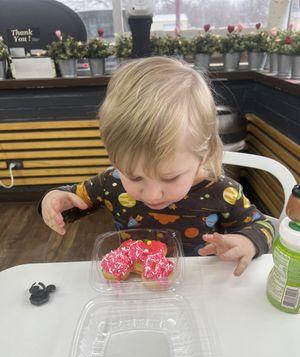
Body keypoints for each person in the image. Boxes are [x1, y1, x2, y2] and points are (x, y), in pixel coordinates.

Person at [40, 56, 274, 276]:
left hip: (200, 284)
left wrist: (248, 242)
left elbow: (263, 226)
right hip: (136, 284)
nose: (152, 195)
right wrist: (54, 199)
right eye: (134, 176)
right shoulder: (111, 182)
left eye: (170, 178)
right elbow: (74, 199)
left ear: (204, 154)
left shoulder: (223, 191)